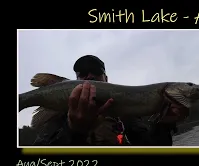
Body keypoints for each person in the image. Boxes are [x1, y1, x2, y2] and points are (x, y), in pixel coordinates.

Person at [33, 55, 189, 146]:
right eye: (82, 74)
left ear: (106, 79)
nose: (89, 76)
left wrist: (164, 125)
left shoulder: (126, 115)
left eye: (96, 72)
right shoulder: (59, 119)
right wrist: (74, 130)